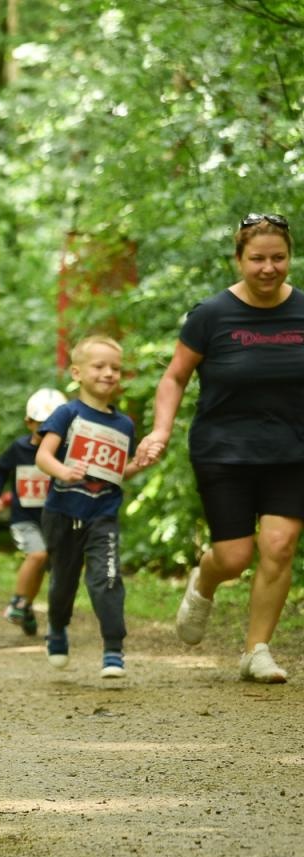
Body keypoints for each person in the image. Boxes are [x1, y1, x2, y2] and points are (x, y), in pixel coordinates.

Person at [136, 212, 304, 683]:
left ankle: (257, 651)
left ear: (290, 257)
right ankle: (205, 579)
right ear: (238, 259)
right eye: (257, 259)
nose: (269, 268)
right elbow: (174, 377)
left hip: (292, 451)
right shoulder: (211, 315)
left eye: (279, 257)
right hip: (224, 450)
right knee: (234, 557)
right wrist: (160, 431)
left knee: (280, 545)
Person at [35, 336, 145, 678]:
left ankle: (113, 649)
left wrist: (139, 464)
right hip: (62, 512)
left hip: (103, 514)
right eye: (99, 366)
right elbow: (42, 456)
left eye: (115, 367)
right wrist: (64, 472)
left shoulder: (123, 424)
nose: (109, 373)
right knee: (63, 580)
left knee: (107, 578)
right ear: (77, 372)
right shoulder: (67, 413)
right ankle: (57, 627)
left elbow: (116, 473)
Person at [0, 388, 67, 636]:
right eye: (41, 425)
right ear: (29, 422)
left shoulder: (63, 452)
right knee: (37, 556)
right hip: (24, 518)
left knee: (53, 568)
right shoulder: (18, 449)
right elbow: (0, 469)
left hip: (55, 519)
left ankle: (31, 610)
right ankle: (18, 603)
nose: (46, 432)